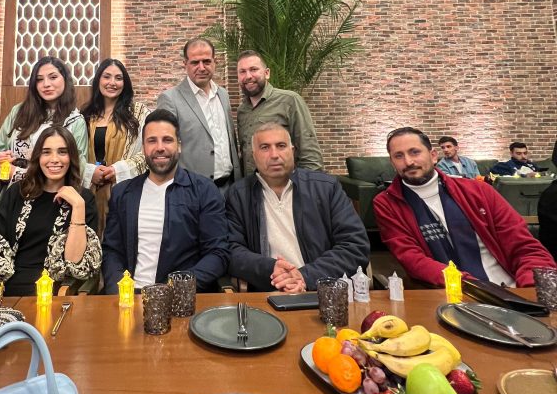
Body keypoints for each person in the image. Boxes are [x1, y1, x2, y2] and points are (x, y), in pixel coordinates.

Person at [373, 127, 555, 288]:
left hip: (511, 286)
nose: (408, 161)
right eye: (399, 156)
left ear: (433, 155)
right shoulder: (387, 204)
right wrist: (472, 286)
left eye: (415, 152)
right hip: (452, 293)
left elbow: (524, 246)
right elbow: (412, 259)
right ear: (392, 162)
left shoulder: (479, 191)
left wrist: (531, 289)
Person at [226, 123, 369, 291]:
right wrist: (270, 269)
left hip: (323, 289)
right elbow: (232, 250)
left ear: (292, 151)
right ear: (253, 155)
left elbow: (355, 245)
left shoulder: (326, 188)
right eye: (265, 147)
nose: (274, 155)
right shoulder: (239, 195)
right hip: (267, 290)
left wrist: (305, 276)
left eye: (281, 146)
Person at [102, 108, 230, 293]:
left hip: (179, 296)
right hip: (130, 296)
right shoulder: (122, 193)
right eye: (152, 141)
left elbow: (218, 254)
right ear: (143, 148)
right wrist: (120, 290)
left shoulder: (204, 191)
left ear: (179, 146)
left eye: (167, 140)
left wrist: (175, 289)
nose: (160, 147)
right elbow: (112, 251)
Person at [0, 126, 101, 296]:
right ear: (38, 157)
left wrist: (77, 206)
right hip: (6, 287)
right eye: (46, 152)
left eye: (62, 152)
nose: (54, 159)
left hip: (52, 293)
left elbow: (75, 263)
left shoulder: (83, 199)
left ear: (72, 157)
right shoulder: (17, 192)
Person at [0, 56, 88, 190]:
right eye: (39, 79)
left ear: (65, 79)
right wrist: (2, 164)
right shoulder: (18, 112)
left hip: (54, 194)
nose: (46, 84)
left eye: (53, 77)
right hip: (14, 192)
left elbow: (78, 168)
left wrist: (19, 174)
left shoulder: (75, 120)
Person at [156, 38, 241, 192]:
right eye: (195, 62)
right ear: (185, 64)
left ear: (215, 62)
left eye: (206, 61)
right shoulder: (170, 99)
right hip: (193, 191)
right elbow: (165, 149)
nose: (201, 68)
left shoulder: (223, 94)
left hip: (230, 189)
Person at [81, 58, 149, 236]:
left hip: (125, 191)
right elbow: (74, 153)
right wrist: (90, 172)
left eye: (118, 78)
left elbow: (148, 152)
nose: (112, 82)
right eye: (107, 77)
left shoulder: (138, 113)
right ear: (98, 80)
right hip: (90, 192)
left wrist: (117, 170)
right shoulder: (85, 115)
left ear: (125, 83)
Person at [235, 50, 323, 174]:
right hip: (253, 184)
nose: (248, 76)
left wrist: (309, 183)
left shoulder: (289, 101)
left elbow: (309, 153)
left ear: (267, 73)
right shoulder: (242, 111)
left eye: (253, 69)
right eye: (242, 71)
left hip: (286, 183)